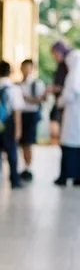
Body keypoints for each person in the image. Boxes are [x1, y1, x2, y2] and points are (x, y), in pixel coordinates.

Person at [0, 60, 24, 189]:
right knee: (12, 152)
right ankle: (14, 180)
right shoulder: (13, 89)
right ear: (10, 72)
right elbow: (16, 111)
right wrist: (18, 129)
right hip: (8, 124)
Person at [55, 48, 80, 186]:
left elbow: (69, 95)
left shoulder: (73, 77)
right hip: (76, 118)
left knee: (69, 146)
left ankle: (65, 176)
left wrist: (59, 102)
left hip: (73, 117)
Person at [18, 58, 45, 181]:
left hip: (31, 114)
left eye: (28, 67)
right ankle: (23, 167)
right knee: (21, 142)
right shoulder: (18, 84)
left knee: (28, 142)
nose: (25, 70)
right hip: (20, 115)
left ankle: (28, 167)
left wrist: (26, 98)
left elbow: (40, 99)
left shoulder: (36, 84)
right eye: (24, 67)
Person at [48, 41, 70, 144]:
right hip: (59, 100)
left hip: (65, 102)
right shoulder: (61, 65)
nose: (54, 56)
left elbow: (68, 87)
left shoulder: (68, 65)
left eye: (55, 53)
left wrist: (57, 89)